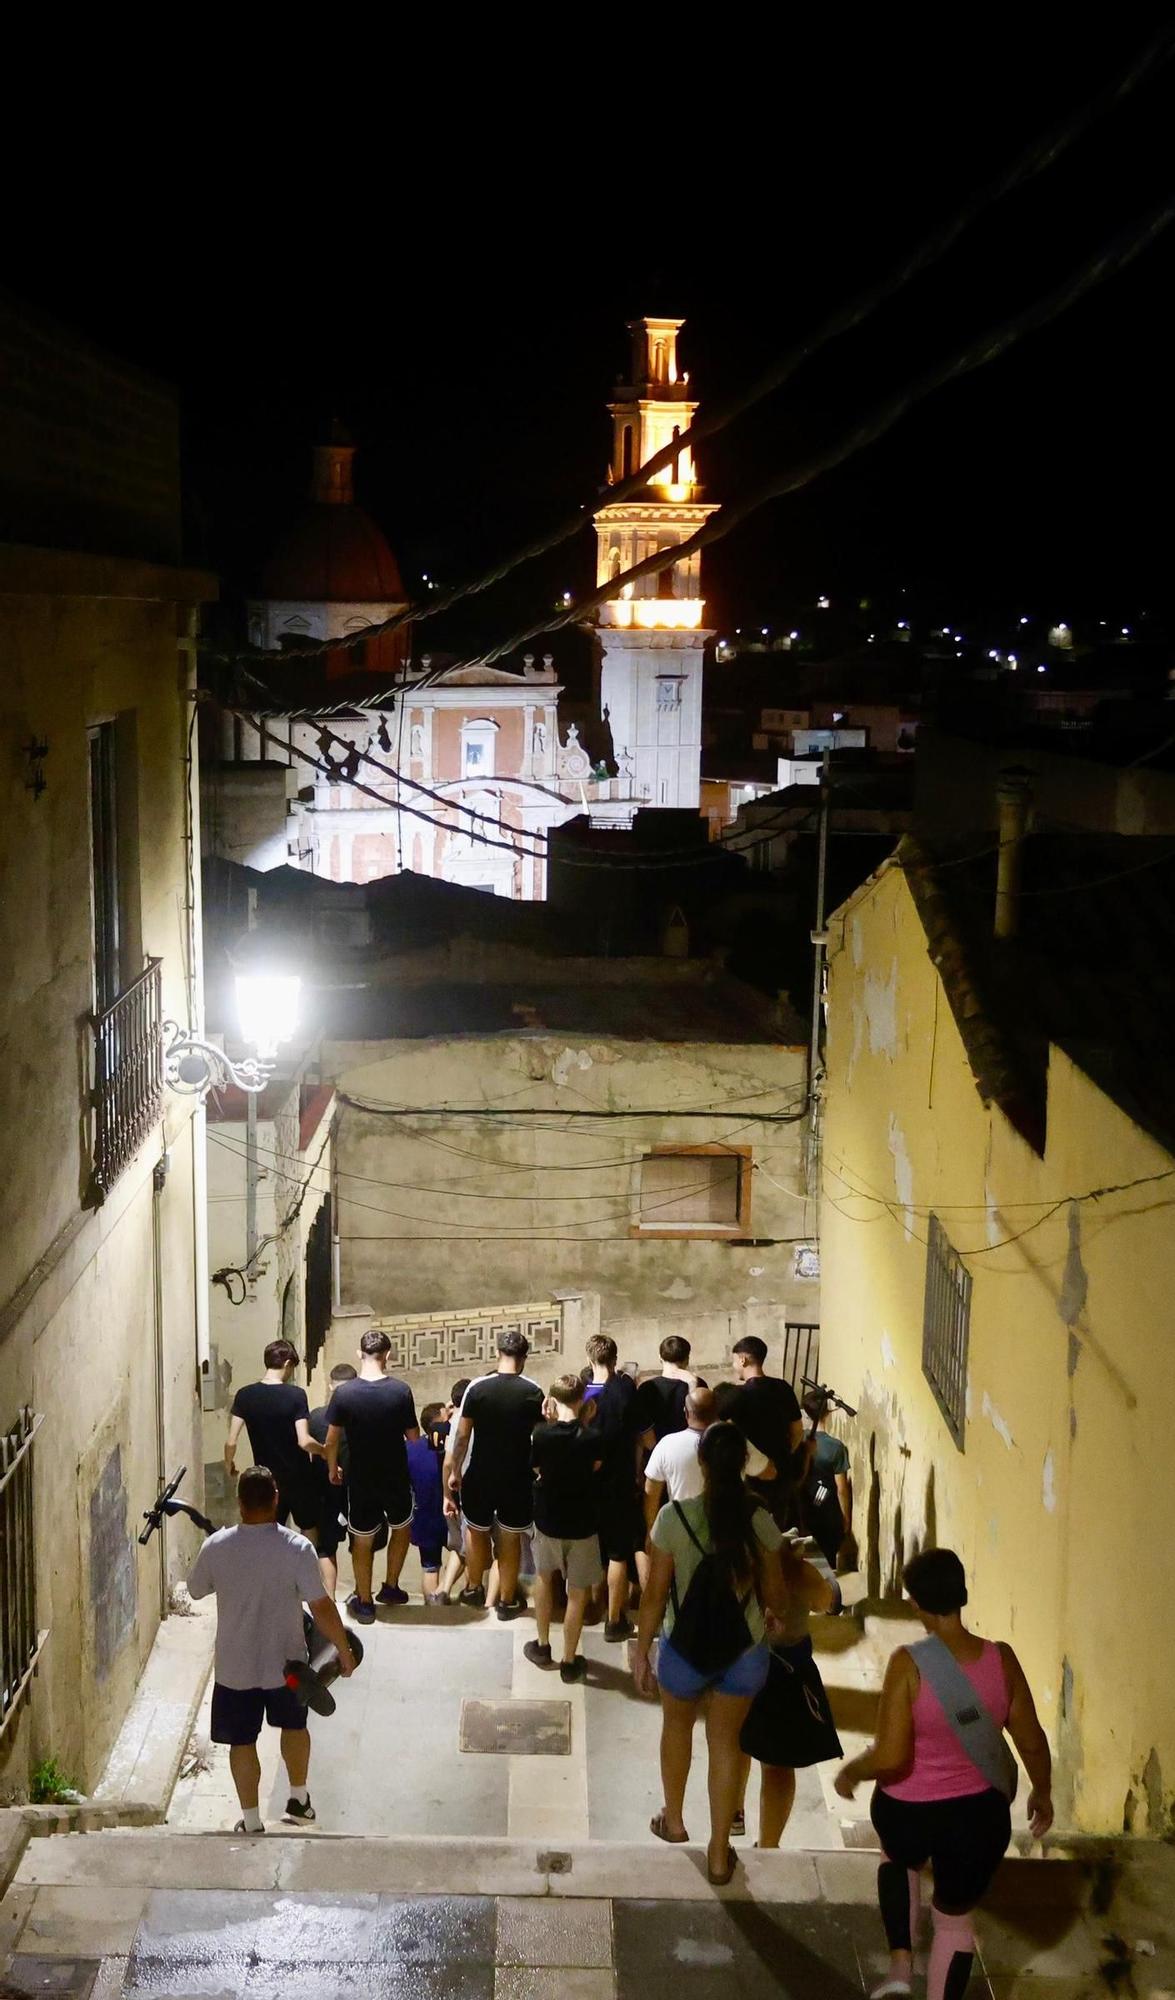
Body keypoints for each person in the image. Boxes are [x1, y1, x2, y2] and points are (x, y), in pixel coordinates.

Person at [835, 1548, 1053, 2000]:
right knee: (955, 1917)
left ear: (916, 1603)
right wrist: (1042, 1792)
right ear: (961, 1595)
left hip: (909, 1814)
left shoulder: (908, 1663)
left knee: (898, 1857)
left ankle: (900, 1967)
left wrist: (854, 1771)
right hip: (977, 1821)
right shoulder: (1002, 1660)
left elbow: (892, 1756)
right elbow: (1031, 1740)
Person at [633, 1420, 788, 1886]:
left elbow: (655, 1596)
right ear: (743, 1464)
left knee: (676, 1728)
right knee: (726, 1744)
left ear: (701, 1463)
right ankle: (719, 1853)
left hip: (683, 1649)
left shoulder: (673, 1519)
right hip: (744, 1653)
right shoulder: (758, 1520)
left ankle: (675, 1820)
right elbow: (776, 1595)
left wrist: (642, 1652)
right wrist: (771, 1616)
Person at [187, 1464, 356, 1831]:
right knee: (295, 1728)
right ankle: (298, 1800)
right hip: (288, 1667)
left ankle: (250, 1821)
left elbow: (196, 1589)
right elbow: (322, 1606)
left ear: (239, 1502)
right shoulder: (297, 1549)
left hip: (235, 1668)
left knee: (242, 1741)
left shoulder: (216, 1547)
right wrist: (343, 1650)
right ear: (276, 1499)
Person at [738, 1535, 843, 1845]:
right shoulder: (798, 1572)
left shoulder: (739, 1566)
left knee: (732, 1747)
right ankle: (768, 1845)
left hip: (739, 1667)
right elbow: (827, 1602)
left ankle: (730, 1819)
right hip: (785, 1674)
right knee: (777, 1767)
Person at [443, 1330, 544, 1619]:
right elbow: (538, 1437)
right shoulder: (533, 1391)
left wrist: (455, 1471)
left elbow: (462, 1436)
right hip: (517, 1477)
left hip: (480, 1473)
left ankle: (474, 1586)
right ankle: (507, 1601)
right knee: (511, 1539)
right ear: (523, 1358)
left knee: (476, 1531)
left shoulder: (477, 1388)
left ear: (497, 1353)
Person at [324, 1329, 419, 1625]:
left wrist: (332, 1468)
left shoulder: (343, 1393)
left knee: (362, 1539)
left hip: (361, 1477)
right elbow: (413, 1437)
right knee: (401, 1528)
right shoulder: (401, 1391)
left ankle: (364, 1602)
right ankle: (390, 1587)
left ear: (359, 1354)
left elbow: (331, 1440)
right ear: (387, 1356)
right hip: (395, 1475)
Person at [524, 1374, 603, 1683]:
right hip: (582, 1521)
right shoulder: (592, 1436)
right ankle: (570, 1660)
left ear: (552, 1401)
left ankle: (543, 1646)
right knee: (577, 1592)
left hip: (548, 1519)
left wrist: (547, 1421)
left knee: (544, 1579)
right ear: (583, 1400)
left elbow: (537, 1468)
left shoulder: (542, 1434)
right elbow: (595, 1467)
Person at [225, 1341, 320, 1541]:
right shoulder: (296, 1395)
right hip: (298, 1476)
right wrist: (325, 1450)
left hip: (266, 1479)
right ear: (287, 1364)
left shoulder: (245, 1395)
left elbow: (231, 1441)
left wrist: (229, 1464)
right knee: (308, 1527)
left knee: (267, 1533)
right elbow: (304, 1441)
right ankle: (307, 1568)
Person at [584, 1333, 642, 1640]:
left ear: (590, 1359)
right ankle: (614, 1619)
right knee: (619, 1552)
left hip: (587, 1483)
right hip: (619, 1480)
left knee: (593, 1548)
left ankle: (593, 1606)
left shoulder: (581, 1393)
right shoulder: (625, 1390)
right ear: (614, 1357)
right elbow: (637, 1438)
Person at [728, 1337, 804, 1521]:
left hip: (751, 1476)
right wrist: (784, 1455)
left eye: (734, 1360)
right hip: (782, 1470)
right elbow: (797, 1430)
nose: (734, 1366)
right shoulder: (783, 1388)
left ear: (743, 1359)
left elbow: (731, 1437)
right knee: (778, 1528)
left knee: (752, 1526)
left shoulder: (738, 1395)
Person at [308, 1362, 357, 1598]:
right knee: (361, 1544)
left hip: (322, 1491)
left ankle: (330, 1598)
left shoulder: (316, 1417)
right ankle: (362, 1593)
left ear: (330, 1384)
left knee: (325, 1548)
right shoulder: (363, 1418)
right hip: (357, 1489)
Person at [643, 1386, 714, 1522]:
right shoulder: (733, 1439)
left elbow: (652, 1492)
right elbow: (767, 1471)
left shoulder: (668, 1444)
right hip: (724, 1529)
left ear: (686, 1413)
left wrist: (651, 1529)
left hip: (683, 1528)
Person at [802, 1387, 853, 1568]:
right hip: (826, 1512)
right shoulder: (835, 1447)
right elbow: (841, 1489)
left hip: (801, 1508)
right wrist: (846, 1518)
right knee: (827, 1563)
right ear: (828, 1412)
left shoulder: (797, 1441)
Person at [408, 1402, 449, 1604]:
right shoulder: (450, 1447)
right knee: (463, 1558)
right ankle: (439, 1599)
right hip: (444, 1513)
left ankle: (433, 1607)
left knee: (430, 1566)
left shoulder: (411, 1447)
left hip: (423, 1515)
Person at [634, 1335, 702, 1448]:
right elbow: (701, 1419)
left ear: (660, 1357)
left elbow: (643, 1429)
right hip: (691, 1450)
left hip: (657, 1453)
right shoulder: (698, 1385)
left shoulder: (647, 1388)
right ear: (687, 1359)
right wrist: (693, 1385)